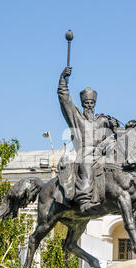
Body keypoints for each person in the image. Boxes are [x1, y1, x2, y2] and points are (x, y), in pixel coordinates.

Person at [57, 66, 120, 212]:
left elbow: (117, 132)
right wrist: (63, 80)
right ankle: (84, 199)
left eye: (92, 103)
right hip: (85, 154)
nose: (89, 105)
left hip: (102, 153)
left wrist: (116, 127)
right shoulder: (77, 118)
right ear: (82, 104)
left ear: (95, 104)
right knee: (86, 165)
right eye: (87, 103)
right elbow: (64, 99)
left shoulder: (102, 119)